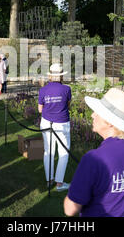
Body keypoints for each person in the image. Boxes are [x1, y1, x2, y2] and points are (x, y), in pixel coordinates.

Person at [64, 88, 124, 217]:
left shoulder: (94, 159)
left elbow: (70, 209)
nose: (92, 115)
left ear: (109, 122)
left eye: (97, 112)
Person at [38, 63, 72, 192]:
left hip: (47, 122)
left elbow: (40, 110)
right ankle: (59, 183)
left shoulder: (43, 90)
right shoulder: (66, 89)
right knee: (63, 152)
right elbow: (68, 105)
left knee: (49, 151)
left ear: (50, 76)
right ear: (61, 76)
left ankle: (49, 180)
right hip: (62, 122)